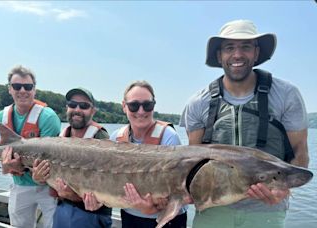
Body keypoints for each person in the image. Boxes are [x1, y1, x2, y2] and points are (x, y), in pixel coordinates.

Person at [180, 19, 309, 228]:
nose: (237, 55)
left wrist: (283, 190)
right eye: (229, 48)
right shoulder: (198, 102)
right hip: (213, 211)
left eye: (245, 47)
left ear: (256, 53)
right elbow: (193, 161)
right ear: (219, 55)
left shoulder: (287, 95)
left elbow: (300, 151)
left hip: (266, 211)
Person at [109, 80, 188, 228]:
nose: (141, 111)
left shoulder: (169, 137)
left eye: (147, 105)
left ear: (154, 106)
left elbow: (178, 193)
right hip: (130, 217)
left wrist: (149, 209)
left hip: (167, 221)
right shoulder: (115, 138)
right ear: (124, 106)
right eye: (133, 105)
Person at [32, 87, 112, 228]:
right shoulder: (61, 136)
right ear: (67, 108)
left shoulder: (101, 138)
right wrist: (38, 178)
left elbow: (107, 186)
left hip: (90, 214)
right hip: (62, 208)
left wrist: (75, 196)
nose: (77, 109)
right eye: (72, 105)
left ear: (93, 111)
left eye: (84, 106)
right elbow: (49, 176)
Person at [0, 65, 61, 228]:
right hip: (19, 185)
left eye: (28, 86)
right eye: (17, 86)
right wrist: (5, 164)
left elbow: (52, 159)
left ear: (34, 90)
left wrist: (19, 166)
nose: (22, 90)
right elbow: (1, 152)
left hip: (48, 187)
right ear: (9, 89)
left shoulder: (48, 117)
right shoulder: (1, 117)